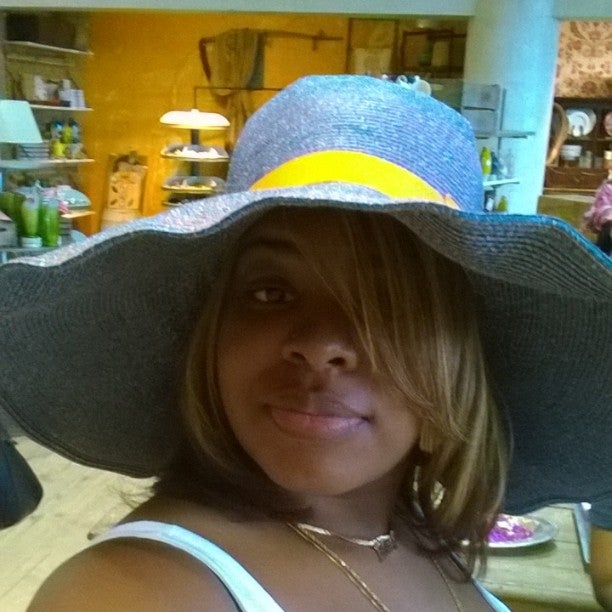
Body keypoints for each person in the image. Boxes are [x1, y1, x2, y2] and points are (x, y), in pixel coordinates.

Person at [0, 75, 609, 611]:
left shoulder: (415, 538)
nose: (320, 344)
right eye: (270, 293)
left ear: (459, 360)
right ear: (211, 338)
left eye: (385, 304)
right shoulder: (134, 593)